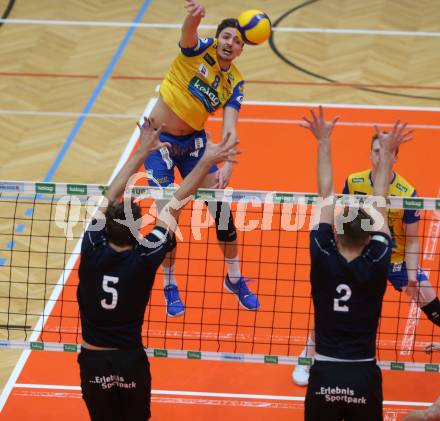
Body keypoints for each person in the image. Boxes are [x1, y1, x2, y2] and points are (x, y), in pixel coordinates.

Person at [76, 118, 239, 421]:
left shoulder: (91, 247)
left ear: (106, 227)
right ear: (138, 229)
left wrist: (142, 152)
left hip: (93, 362)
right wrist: (204, 163)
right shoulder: (144, 256)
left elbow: (111, 195)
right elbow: (174, 204)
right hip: (129, 361)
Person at [293, 123, 440, 387]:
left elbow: (413, 240)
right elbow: (343, 220)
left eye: (385, 152)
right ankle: (307, 355)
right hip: (360, 253)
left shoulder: (408, 192)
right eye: (375, 151)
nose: (379, 156)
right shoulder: (354, 181)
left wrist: (411, 274)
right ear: (370, 153)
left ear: (395, 156)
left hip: (393, 258)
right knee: (331, 308)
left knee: (432, 303)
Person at [144, 0, 259, 317]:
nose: (230, 43)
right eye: (227, 36)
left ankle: (234, 279)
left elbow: (230, 126)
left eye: (237, 41)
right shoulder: (199, 50)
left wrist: (230, 164)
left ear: (240, 50)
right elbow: (187, 34)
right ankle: (169, 285)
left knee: (222, 210)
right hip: (158, 143)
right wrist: (192, 19)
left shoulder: (234, 82)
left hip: (194, 144)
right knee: (169, 218)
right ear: (218, 37)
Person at [300, 106, 412, 420]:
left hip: (323, 375)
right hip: (363, 375)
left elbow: (325, 195)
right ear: (368, 240)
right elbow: (379, 198)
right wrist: (387, 157)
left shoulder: (322, 254)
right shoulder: (377, 261)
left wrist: (323, 143)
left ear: (337, 235)